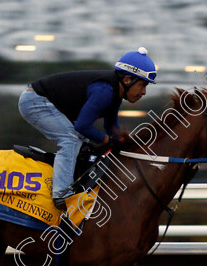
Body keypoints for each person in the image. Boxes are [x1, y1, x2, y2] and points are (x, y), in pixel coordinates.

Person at [18, 47, 157, 210]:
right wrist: (107, 140)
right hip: (35, 101)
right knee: (71, 139)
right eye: (142, 85)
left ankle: (71, 183)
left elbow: (111, 126)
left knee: (82, 143)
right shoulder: (105, 92)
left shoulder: (115, 95)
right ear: (127, 80)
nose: (144, 92)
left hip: (45, 101)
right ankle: (61, 194)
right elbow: (83, 126)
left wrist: (124, 143)